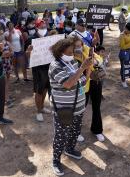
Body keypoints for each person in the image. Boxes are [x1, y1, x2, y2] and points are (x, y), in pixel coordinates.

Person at [49, 38, 91, 176]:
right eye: (69, 51)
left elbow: (82, 82)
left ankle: (70, 149)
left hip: (78, 107)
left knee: (75, 131)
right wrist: (82, 68)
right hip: (63, 109)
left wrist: (90, 69)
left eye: (73, 50)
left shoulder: (72, 62)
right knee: (61, 135)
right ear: (60, 52)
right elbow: (67, 84)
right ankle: (56, 160)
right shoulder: (55, 66)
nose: (72, 53)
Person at [26, 19, 53, 122]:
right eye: (41, 26)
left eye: (44, 26)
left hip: (49, 67)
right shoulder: (32, 39)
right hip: (38, 69)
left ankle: (41, 107)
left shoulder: (49, 38)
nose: (43, 28)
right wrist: (29, 52)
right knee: (39, 91)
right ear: (36, 27)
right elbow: (27, 54)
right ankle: (38, 111)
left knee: (46, 89)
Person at [119, 22, 130, 88]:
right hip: (124, 52)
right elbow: (122, 46)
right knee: (123, 67)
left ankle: (125, 77)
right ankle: (123, 80)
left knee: (129, 65)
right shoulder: (122, 35)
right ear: (127, 29)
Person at [0, 32, 14, 108]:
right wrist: (3, 55)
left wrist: (9, 54)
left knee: (7, 81)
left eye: (1, 33)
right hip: (0, 65)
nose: (1, 34)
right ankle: (7, 99)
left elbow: (12, 52)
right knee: (4, 82)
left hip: (7, 64)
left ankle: (7, 95)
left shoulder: (7, 43)